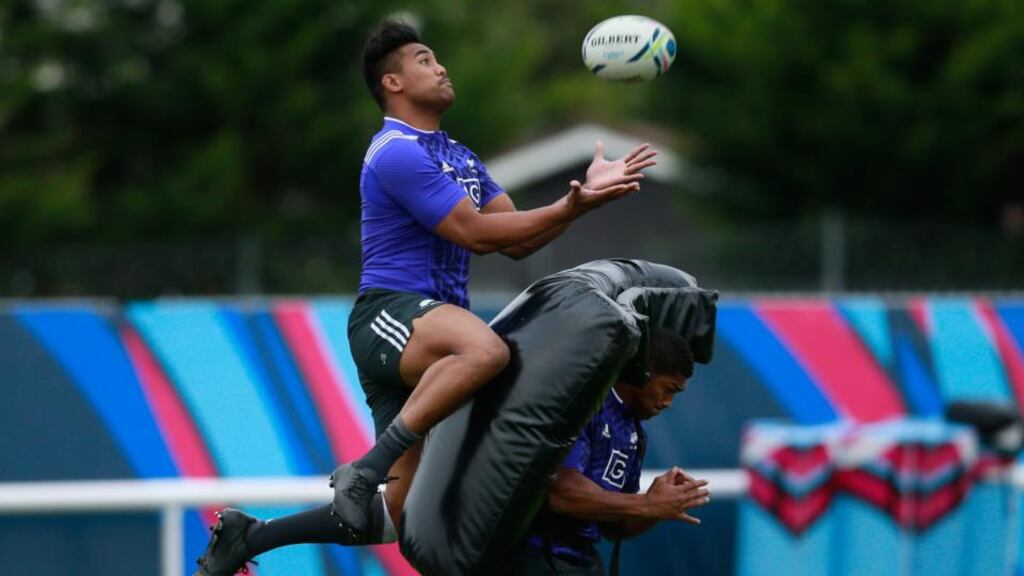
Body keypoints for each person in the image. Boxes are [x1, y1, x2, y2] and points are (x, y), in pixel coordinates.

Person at [195, 18, 658, 575]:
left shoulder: (459, 155)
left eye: (437, 58)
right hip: (388, 315)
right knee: (487, 352)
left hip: (432, 333)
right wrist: (573, 206)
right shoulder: (395, 151)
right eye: (423, 59)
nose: (440, 66)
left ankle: (251, 537)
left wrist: (581, 197)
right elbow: (475, 233)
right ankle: (366, 467)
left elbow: (513, 237)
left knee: (389, 518)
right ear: (391, 83)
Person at [509, 328, 711, 576]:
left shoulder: (636, 433)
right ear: (643, 372)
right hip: (538, 556)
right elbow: (561, 492)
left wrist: (660, 507)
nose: (668, 402)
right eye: (668, 389)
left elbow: (615, 528)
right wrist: (646, 503)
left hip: (583, 561)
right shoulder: (586, 405)